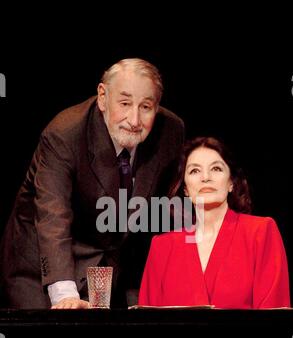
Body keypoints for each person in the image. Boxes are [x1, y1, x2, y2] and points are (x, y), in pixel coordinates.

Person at [0, 58, 185, 309]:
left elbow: (165, 207)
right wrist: (65, 294)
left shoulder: (171, 131)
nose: (134, 119)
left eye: (146, 107)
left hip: (114, 266)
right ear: (102, 96)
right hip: (43, 267)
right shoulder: (64, 134)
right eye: (124, 103)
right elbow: (53, 215)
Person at [139, 136, 290, 308]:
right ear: (186, 189)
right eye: (194, 171)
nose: (205, 177)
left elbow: (274, 316)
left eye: (216, 169)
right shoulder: (162, 246)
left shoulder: (260, 232)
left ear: (231, 182)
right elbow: (148, 321)